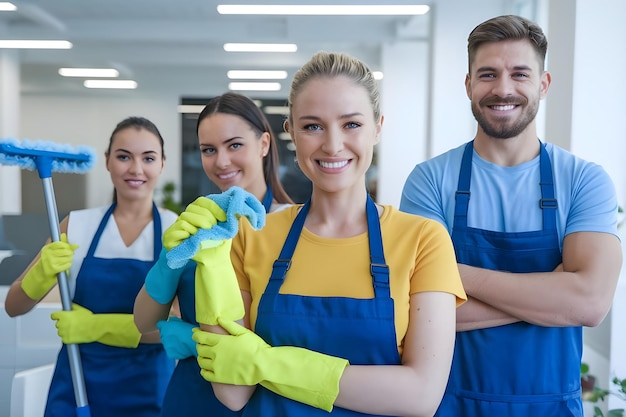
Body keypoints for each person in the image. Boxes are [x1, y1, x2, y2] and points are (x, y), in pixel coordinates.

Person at [174, 51, 466, 416]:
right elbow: (232, 393)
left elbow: (421, 396)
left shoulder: (423, 239)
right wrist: (212, 260)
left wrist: (268, 363)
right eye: (312, 126)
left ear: (378, 127)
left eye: (352, 124)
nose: (332, 144)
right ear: (291, 133)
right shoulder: (252, 237)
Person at [399, 15, 622, 417]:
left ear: (543, 84)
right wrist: (555, 296)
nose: (503, 89)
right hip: (448, 404)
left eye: (520, 73)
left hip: (552, 406)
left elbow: (589, 304)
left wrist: (456, 277)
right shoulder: (431, 180)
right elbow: (417, 311)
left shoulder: (584, 180)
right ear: (468, 84)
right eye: (487, 74)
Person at [133, 91, 294, 417]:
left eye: (234, 145)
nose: (221, 161)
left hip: (264, 398)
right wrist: (168, 261)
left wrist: (197, 340)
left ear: (264, 144)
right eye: (209, 150)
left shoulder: (292, 227)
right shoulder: (196, 225)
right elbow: (144, 322)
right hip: (193, 396)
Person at [4, 116, 178, 417]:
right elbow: (13, 306)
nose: (136, 169)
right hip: (76, 383)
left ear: (162, 163)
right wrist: (41, 273)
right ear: (108, 161)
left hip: (150, 391)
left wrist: (96, 326)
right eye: (124, 157)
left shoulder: (175, 232)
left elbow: (178, 324)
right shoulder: (77, 225)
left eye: (148, 158)